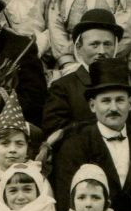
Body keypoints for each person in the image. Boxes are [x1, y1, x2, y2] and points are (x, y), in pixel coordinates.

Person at [50, 59, 131, 211]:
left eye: (120, 100)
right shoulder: (74, 145)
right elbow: (66, 201)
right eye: (106, 101)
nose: (113, 108)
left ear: (130, 104)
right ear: (93, 106)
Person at [41, 9, 126, 138]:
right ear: (79, 47)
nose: (102, 51)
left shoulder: (127, 82)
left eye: (107, 44)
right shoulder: (63, 87)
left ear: (115, 47)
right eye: (94, 44)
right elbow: (54, 129)